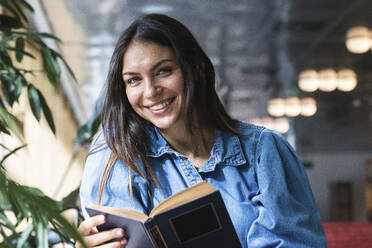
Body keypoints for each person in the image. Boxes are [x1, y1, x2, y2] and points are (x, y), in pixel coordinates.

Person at [77, 14, 327, 248]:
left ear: (194, 69)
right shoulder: (114, 154)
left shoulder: (264, 152)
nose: (150, 91)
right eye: (134, 80)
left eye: (163, 71)